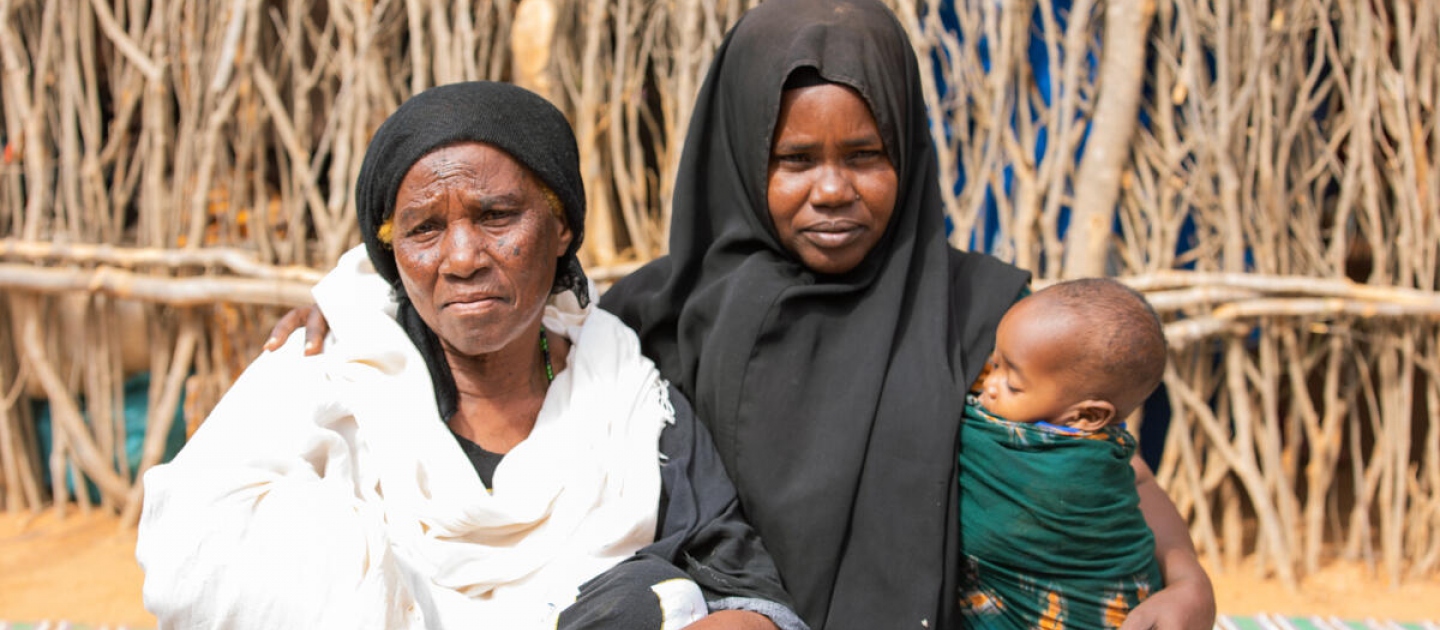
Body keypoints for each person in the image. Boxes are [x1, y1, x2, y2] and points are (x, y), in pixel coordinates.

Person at [267, 1, 1216, 628]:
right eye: (796, 159)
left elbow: (1100, 466)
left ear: (912, 156)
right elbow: (475, 293)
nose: (834, 190)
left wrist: (1191, 580)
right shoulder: (651, 313)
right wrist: (351, 302)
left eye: (868, 154)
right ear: (738, 153)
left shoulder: (979, 316)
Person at [138, 81, 804, 630]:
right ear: (392, 259)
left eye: (496, 216)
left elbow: (740, 585)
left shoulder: (623, 393)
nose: (461, 259)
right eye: (425, 229)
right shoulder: (324, 375)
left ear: (561, 225)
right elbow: (194, 559)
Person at [958, 278, 1168, 629]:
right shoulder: (1111, 444)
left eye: (1012, 385)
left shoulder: (1021, 454)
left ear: (1087, 416)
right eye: (994, 365)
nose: (990, 386)